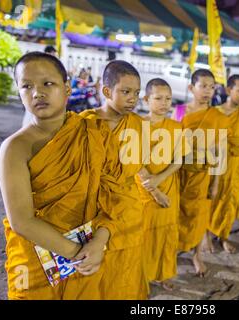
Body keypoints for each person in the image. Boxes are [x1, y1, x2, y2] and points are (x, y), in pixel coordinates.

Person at [0, 52, 111, 299]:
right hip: (38, 260)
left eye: (47, 83)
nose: (37, 92)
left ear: (67, 88)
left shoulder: (92, 133)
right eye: (27, 86)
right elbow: (22, 221)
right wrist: (77, 253)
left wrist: (98, 244)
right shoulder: (16, 147)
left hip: (88, 251)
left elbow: (113, 195)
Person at [80, 60, 167, 299]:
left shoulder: (139, 125)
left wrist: (155, 190)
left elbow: (139, 165)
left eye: (136, 93)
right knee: (97, 273)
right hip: (94, 208)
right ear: (107, 91)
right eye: (125, 92)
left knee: (127, 269)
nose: (133, 98)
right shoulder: (85, 123)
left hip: (128, 206)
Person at [172, 69, 230, 276]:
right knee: (175, 215)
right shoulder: (179, 112)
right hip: (178, 174)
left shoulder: (217, 116)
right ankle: (172, 252)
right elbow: (170, 144)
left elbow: (220, 152)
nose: (208, 91)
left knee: (199, 215)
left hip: (203, 175)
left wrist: (215, 183)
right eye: (203, 86)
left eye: (211, 87)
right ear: (191, 88)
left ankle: (197, 254)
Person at [135, 78, 188, 291]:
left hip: (168, 184)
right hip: (143, 190)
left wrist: (160, 179)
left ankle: (162, 273)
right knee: (144, 235)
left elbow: (179, 159)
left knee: (166, 233)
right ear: (147, 99)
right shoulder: (137, 125)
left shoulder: (176, 127)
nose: (164, 103)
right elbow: (134, 162)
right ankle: (142, 277)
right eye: (158, 98)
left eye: (168, 99)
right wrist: (154, 189)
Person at [208, 75, 239, 254]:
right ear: (229, 90)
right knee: (212, 201)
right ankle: (205, 234)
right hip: (216, 165)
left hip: (236, 165)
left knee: (230, 203)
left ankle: (224, 236)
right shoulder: (214, 113)